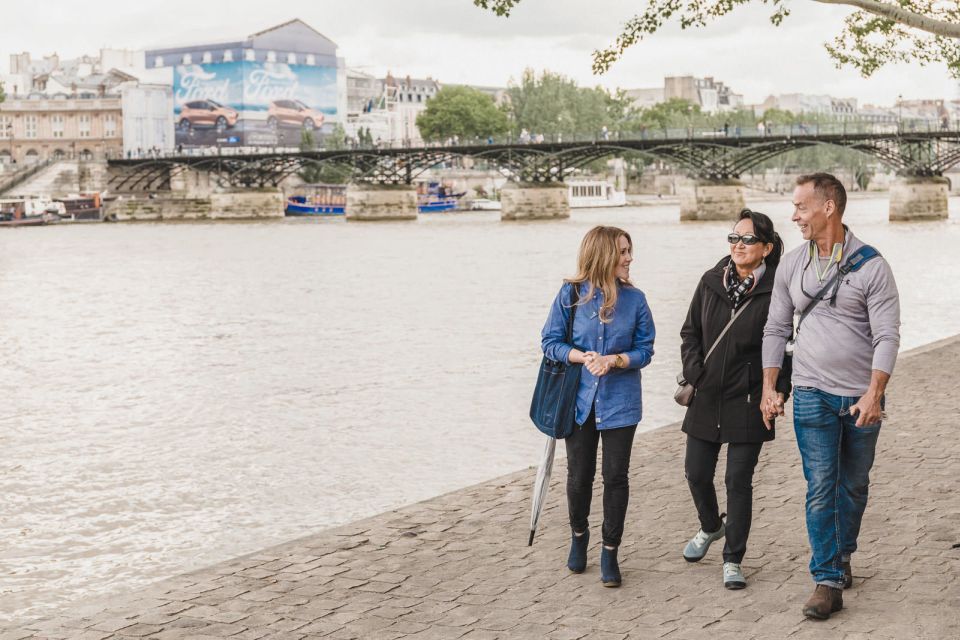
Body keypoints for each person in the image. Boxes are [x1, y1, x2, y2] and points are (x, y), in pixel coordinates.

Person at [761, 173, 900, 620]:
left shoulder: (872, 265)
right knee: (820, 486)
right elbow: (777, 328)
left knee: (853, 486)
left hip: (861, 398)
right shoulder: (793, 264)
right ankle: (826, 578)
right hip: (811, 392)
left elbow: (887, 335)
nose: (794, 215)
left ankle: (841, 556)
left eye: (801, 206)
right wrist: (769, 387)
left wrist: (875, 392)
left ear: (828, 207)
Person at [679, 209, 791, 590]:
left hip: (750, 398)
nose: (737, 245)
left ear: (766, 248)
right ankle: (711, 526)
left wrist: (776, 392)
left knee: (737, 481)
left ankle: (733, 559)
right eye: (733, 238)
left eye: (746, 239)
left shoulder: (779, 290)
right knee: (696, 472)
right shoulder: (710, 281)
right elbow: (689, 332)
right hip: (707, 394)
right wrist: (695, 371)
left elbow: (787, 348)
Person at [541, 226, 656, 587]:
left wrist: (616, 360)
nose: (629, 258)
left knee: (616, 478)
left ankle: (610, 550)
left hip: (621, 403)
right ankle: (579, 537)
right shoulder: (570, 295)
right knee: (578, 477)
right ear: (604, 254)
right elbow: (549, 342)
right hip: (579, 401)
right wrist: (582, 356)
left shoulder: (636, 300)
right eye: (623, 252)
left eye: (629, 251)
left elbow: (646, 349)